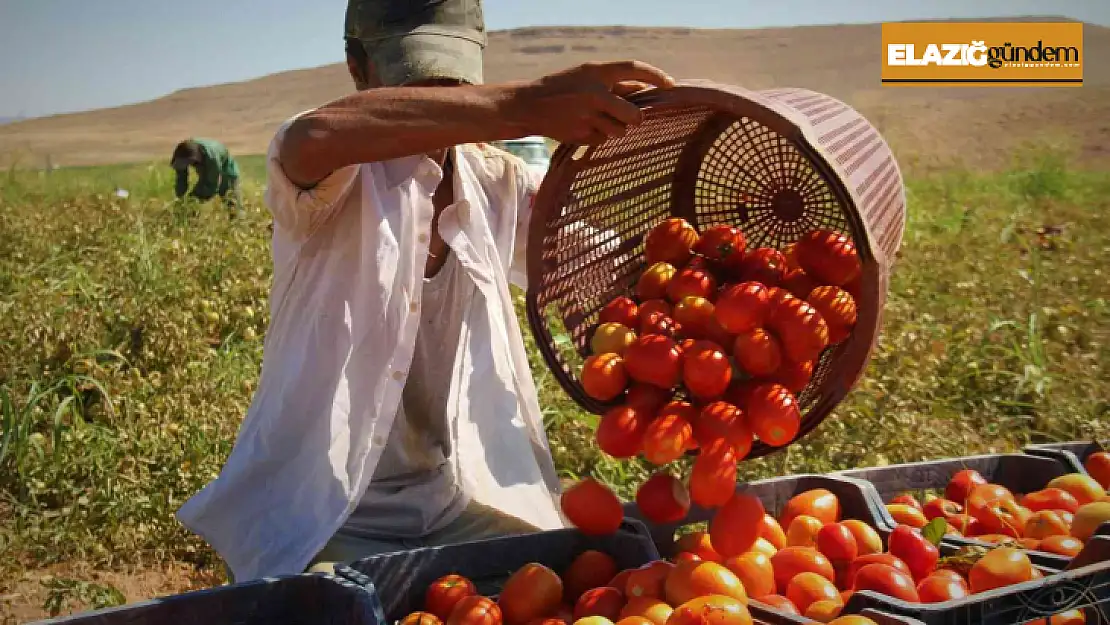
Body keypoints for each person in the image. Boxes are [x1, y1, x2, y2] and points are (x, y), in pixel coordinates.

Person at [174, 0, 674, 584]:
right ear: (358, 69)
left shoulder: (497, 182)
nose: (444, 94)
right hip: (320, 516)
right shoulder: (331, 172)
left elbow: (610, 270)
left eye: (455, 78)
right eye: (418, 78)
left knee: (574, 582)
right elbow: (312, 135)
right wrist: (522, 108)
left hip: (449, 505)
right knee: (342, 607)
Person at [170, 138, 243, 216]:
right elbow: (181, 180)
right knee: (190, 203)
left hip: (227, 172)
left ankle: (240, 223)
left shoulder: (212, 158)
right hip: (206, 167)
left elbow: (212, 186)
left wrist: (194, 201)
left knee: (233, 205)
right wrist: (181, 200)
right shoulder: (183, 154)